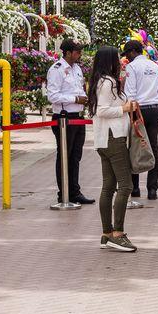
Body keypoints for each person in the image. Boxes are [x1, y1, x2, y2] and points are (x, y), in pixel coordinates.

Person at [88, 46, 137, 252]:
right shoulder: (108, 82)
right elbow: (103, 110)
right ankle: (118, 233)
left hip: (104, 139)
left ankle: (107, 233)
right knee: (125, 186)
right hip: (113, 137)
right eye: (117, 58)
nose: (120, 61)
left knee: (108, 187)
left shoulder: (99, 81)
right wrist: (125, 108)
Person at [46, 39, 95, 205]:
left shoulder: (77, 69)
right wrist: (75, 99)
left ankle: (75, 191)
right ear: (67, 52)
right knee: (65, 155)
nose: (79, 54)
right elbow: (52, 96)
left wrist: (85, 99)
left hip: (78, 117)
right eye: (77, 51)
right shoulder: (56, 70)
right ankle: (64, 193)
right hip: (64, 117)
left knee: (75, 156)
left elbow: (80, 89)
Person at [123, 39, 158, 200]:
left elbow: (130, 93)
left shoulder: (132, 67)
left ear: (133, 52)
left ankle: (135, 188)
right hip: (153, 109)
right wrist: (157, 109)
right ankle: (152, 189)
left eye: (127, 54)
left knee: (135, 147)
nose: (126, 57)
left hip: (137, 110)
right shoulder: (155, 66)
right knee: (153, 148)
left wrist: (130, 112)